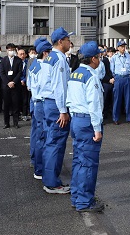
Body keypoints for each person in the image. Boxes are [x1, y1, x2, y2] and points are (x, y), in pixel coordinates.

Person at [67, 41, 105, 213]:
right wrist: (97, 129)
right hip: (88, 121)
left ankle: (77, 196)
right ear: (93, 59)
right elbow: (94, 105)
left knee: (78, 161)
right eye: (99, 56)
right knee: (88, 163)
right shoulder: (92, 76)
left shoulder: (75, 74)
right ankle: (84, 201)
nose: (100, 60)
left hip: (76, 120)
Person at [41, 27, 73, 194]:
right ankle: (52, 182)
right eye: (68, 40)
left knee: (51, 142)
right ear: (61, 42)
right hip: (56, 105)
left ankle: (49, 178)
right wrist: (63, 110)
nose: (70, 43)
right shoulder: (59, 59)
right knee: (56, 143)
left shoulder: (49, 57)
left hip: (48, 103)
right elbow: (59, 87)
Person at [28, 38, 51, 180]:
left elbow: (30, 85)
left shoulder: (34, 65)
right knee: (42, 136)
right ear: (45, 53)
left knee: (37, 135)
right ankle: (40, 168)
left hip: (36, 101)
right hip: (42, 103)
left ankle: (36, 162)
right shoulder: (44, 67)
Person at [0, 43, 23, 129]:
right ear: (6, 51)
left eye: (12, 50)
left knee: (16, 104)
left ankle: (15, 122)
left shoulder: (18, 60)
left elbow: (20, 72)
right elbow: (2, 73)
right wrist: (8, 83)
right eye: (9, 50)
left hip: (16, 86)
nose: (11, 51)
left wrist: (14, 82)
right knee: (6, 105)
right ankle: (6, 123)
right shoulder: (3, 60)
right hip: (6, 86)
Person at [110, 40, 130, 125]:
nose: (123, 48)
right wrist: (116, 77)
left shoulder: (128, 56)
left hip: (127, 78)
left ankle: (129, 118)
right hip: (118, 78)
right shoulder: (114, 57)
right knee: (117, 99)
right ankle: (115, 118)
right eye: (122, 46)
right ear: (118, 47)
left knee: (128, 99)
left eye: (124, 46)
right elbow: (112, 69)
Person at [100, 47, 115, 122]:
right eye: (109, 52)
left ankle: (113, 113)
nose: (111, 54)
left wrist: (114, 79)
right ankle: (105, 113)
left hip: (114, 81)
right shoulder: (104, 61)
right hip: (106, 82)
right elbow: (103, 73)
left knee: (113, 99)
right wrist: (109, 80)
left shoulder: (116, 59)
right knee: (105, 99)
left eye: (113, 52)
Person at [18, 48, 30, 121]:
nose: (22, 55)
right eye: (20, 54)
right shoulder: (16, 62)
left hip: (25, 83)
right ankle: (18, 114)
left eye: (23, 54)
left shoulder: (28, 62)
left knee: (25, 99)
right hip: (18, 83)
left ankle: (24, 114)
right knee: (18, 100)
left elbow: (29, 73)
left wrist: (24, 80)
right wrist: (20, 80)